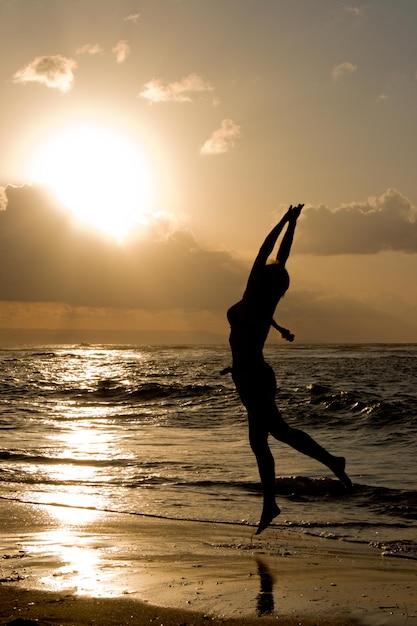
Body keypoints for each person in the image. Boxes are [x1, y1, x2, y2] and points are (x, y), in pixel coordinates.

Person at [225, 204, 352, 535]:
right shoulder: (267, 302)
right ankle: (270, 505)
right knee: (258, 440)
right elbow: (282, 257)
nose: (264, 266)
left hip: (253, 375)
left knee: (277, 432)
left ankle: (332, 461)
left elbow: (266, 250)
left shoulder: (254, 296)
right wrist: (293, 225)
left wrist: (283, 220)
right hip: (253, 374)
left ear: (263, 279)